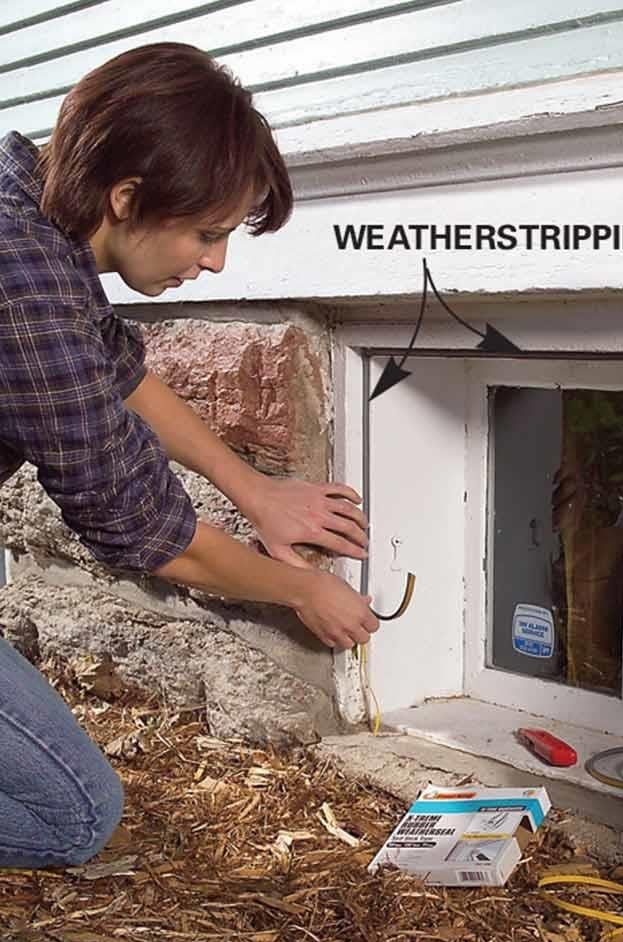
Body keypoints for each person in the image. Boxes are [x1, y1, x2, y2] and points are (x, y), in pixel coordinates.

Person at [0, 43, 378, 869]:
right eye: (207, 233)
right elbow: (141, 527)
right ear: (128, 196)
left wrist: (256, 491)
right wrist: (302, 590)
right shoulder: (21, 286)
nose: (216, 261)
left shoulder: (27, 198)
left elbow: (117, 368)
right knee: (72, 814)